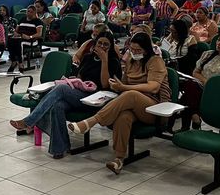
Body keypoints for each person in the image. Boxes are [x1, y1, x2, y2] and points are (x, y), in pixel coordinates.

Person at [67, 33, 171, 174]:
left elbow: (153, 87)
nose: (134, 53)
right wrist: (117, 85)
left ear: (146, 49)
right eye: (132, 49)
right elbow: (124, 84)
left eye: (138, 50)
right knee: (124, 117)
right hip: (133, 105)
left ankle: (91, 122)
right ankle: (119, 159)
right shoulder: (131, 62)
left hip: (155, 107)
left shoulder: (155, 61)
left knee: (131, 94)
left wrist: (124, 88)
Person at [10, 32, 121, 158]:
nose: (102, 46)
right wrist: (75, 81)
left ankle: (29, 121)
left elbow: (105, 84)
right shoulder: (88, 57)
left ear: (111, 47)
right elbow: (80, 77)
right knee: (58, 105)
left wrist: (104, 60)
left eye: (106, 44)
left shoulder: (113, 61)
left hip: (97, 99)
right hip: (82, 93)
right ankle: (59, 148)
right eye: (99, 43)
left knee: (61, 88)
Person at [179, 30, 220, 128]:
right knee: (190, 85)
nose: (218, 43)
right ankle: (195, 117)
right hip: (203, 85)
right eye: (218, 40)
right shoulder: (207, 54)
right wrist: (206, 82)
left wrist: (213, 85)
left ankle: (192, 120)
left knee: (186, 98)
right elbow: (195, 72)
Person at [7, 5, 43, 71]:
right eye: (28, 11)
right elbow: (16, 30)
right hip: (20, 37)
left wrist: (30, 37)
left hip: (31, 40)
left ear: (35, 13)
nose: (29, 13)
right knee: (10, 41)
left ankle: (20, 63)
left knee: (20, 43)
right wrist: (16, 33)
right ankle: (14, 61)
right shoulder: (22, 19)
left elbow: (39, 34)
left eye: (31, 12)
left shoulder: (38, 21)